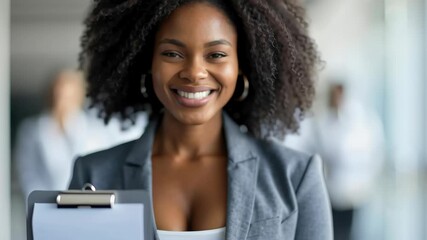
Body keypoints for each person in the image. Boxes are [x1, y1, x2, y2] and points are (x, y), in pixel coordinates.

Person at [69, 0, 332, 239]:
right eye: (172, 53)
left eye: (216, 54)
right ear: (147, 62)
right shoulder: (94, 174)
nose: (194, 73)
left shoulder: (295, 176)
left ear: (243, 64)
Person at [14, 69, 147, 199]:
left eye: (67, 95)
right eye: (58, 93)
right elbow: (28, 174)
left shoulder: (95, 130)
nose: (61, 99)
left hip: (86, 203)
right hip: (46, 204)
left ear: (78, 95)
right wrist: (42, 203)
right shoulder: (32, 130)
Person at [284, 82, 384, 240]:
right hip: (332, 191)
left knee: (352, 231)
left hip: (354, 191)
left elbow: (369, 153)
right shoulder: (324, 123)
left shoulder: (359, 122)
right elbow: (319, 151)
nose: (337, 99)